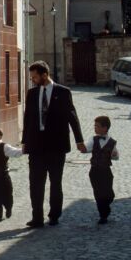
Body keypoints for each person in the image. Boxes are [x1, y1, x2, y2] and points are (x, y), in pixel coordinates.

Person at [21, 60, 84, 228]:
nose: (32, 80)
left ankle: (54, 215)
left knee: (55, 182)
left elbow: (72, 116)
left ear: (44, 75)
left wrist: (79, 140)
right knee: (35, 183)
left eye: (34, 77)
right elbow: (28, 118)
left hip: (56, 146)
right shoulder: (32, 94)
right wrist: (25, 141)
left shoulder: (63, 92)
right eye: (31, 77)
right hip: (36, 146)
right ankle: (37, 217)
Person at [79, 115, 119, 224]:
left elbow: (116, 157)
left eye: (97, 126)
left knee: (109, 194)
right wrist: (81, 147)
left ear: (105, 128)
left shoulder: (112, 142)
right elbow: (86, 148)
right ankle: (103, 215)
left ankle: (106, 206)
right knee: (98, 194)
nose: (95, 128)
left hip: (106, 171)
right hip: (95, 171)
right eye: (94, 126)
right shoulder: (93, 139)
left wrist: (114, 154)